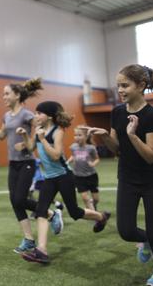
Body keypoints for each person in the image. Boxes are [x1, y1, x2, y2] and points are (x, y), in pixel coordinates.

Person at [88, 64, 153, 286]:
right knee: (125, 231)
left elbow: (152, 156)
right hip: (127, 178)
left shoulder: (151, 115)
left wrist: (133, 136)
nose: (120, 90)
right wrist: (106, 136)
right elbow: (117, 148)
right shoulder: (117, 112)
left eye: (125, 85)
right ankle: (144, 240)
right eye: (118, 86)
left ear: (141, 85)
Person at [17, 101, 111, 264]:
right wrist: (25, 135)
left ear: (50, 116)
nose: (36, 115)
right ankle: (41, 250)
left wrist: (43, 139)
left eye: (39, 113)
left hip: (64, 176)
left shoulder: (57, 131)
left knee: (74, 212)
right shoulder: (38, 130)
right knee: (41, 211)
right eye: (35, 112)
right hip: (50, 178)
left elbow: (55, 155)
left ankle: (101, 216)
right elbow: (32, 146)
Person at [0, 78, 62, 254]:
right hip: (13, 163)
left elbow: (42, 128)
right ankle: (29, 239)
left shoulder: (27, 115)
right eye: (3, 94)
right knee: (15, 202)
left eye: (7, 93)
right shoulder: (6, 116)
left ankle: (51, 214)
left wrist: (26, 143)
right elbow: (1, 135)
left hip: (27, 162)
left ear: (17, 95)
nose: (4, 97)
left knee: (19, 199)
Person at [68, 126, 100, 212]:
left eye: (79, 135)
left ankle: (92, 206)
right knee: (85, 197)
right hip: (78, 176)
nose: (76, 137)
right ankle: (94, 215)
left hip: (91, 176)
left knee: (96, 199)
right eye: (75, 135)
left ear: (86, 137)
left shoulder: (91, 148)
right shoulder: (73, 147)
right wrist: (68, 161)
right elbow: (73, 156)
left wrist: (93, 164)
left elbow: (97, 158)